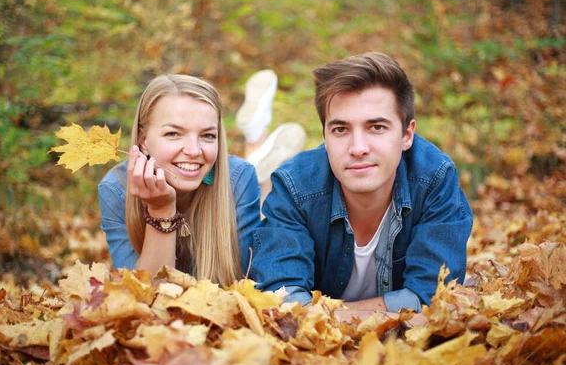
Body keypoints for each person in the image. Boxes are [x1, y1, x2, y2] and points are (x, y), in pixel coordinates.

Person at [248, 52, 473, 313]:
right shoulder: (295, 186)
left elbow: (432, 300)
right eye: (340, 130)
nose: (358, 148)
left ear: (407, 135)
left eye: (376, 127)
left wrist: (333, 315)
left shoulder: (433, 178)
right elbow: (282, 299)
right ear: (325, 136)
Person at [98, 72, 305, 282]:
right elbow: (144, 299)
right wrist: (161, 210)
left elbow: (245, 283)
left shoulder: (237, 178)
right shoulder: (116, 189)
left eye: (207, 136)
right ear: (143, 140)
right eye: (173, 134)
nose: (194, 150)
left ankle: (256, 141)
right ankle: (256, 139)